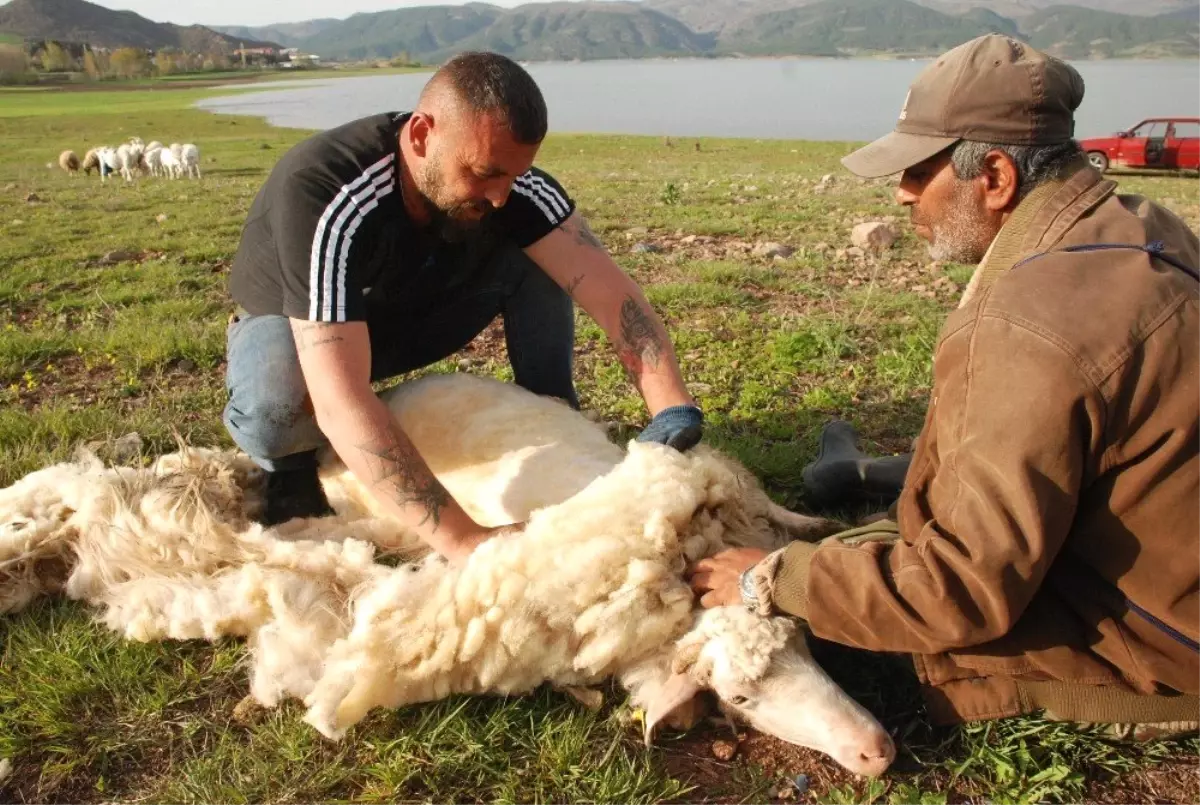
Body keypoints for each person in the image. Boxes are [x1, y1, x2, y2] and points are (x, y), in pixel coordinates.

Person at [692, 34, 1200, 737]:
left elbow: (955, 594)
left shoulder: (1024, 323)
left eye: (918, 169)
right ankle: (859, 475)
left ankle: (853, 480)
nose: (901, 194)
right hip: (1163, 574)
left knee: (844, 584)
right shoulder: (1146, 225)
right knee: (866, 547)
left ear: (994, 176)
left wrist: (772, 580)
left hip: (1162, 646)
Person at [224, 52, 702, 563]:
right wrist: (465, 539)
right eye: (483, 172)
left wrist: (671, 404)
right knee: (275, 414)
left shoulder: (513, 188)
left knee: (543, 255)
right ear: (422, 135)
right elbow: (340, 397)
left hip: (417, 306)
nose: (501, 196)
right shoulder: (328, 192)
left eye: (515, 175)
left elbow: (613, 296)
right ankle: (289, 471)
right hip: (305, 325)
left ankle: (551, 414)